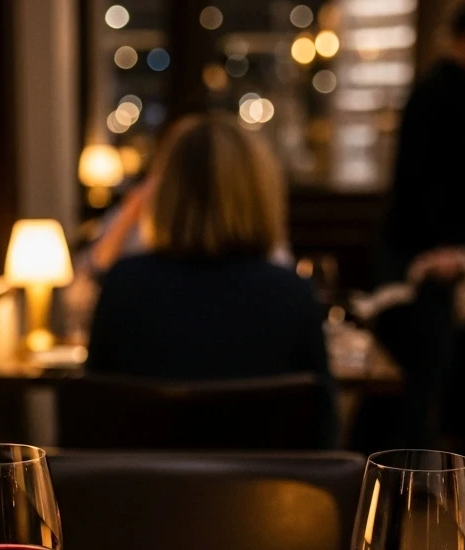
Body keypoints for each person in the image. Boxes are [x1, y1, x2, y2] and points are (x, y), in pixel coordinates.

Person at [86, 113, 336, 442]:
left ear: (165, 193)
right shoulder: (291, 294)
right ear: (259, 194)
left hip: (144, 476)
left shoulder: (124, 286)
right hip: (262, 476)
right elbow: (323, 436)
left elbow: (92, 423)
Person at [375, 0, 465, 443]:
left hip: (427, 249)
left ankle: (415, 468)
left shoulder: (449, 88)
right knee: (422, 373)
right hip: (429, 256)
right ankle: (413, 471)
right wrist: (444, 249)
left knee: (426, 373)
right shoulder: (444, 90)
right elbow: (427, 179)